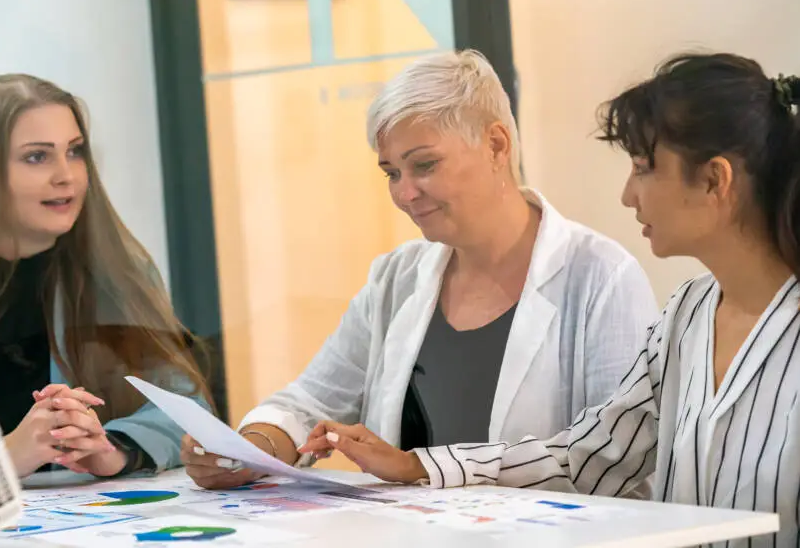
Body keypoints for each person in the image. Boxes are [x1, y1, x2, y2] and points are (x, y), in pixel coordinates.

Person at [301, 52, 800, 545]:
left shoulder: (605, 275)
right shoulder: (688, 314)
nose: (628, 195)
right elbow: (590, 456)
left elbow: (621, 486)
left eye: (644, 168)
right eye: (392, 173)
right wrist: (416, 465)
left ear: (715, 180)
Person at [181, 49, 658, 491]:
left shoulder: (600, 277)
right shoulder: (397, 277)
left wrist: (424, 467)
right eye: (391, 173)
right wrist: (247, 451)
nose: (405, 193)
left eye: (424, 165)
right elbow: (308, 405)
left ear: (496, 145)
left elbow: (611, 459)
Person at [0, 74, 210, 478]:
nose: (66, 175)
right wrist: (2, 458)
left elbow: (187, 411)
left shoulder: (120, 275)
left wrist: (112, 449)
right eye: (37, 156)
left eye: (75, 151)